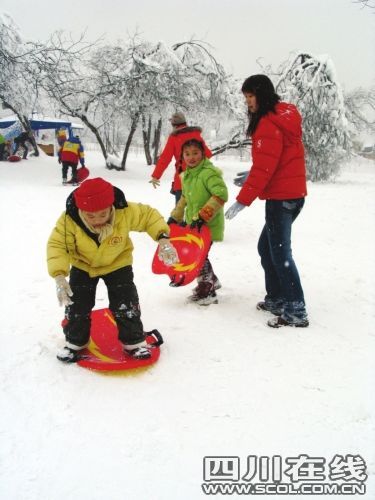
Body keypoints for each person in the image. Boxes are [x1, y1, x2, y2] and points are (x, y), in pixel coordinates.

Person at [47, 177, 179, 362]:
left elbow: (149, 216)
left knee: (125, 302)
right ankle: (75, 342)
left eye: (102, 215)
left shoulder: (124, 211)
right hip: (83, 265)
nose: (97, 221)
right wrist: (59, 275)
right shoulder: (69, 220)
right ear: (81, 210)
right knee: (77, 304)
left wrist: (163, 238)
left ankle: (134, 342)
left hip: (118, 263)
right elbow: (57, 245)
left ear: (111, 207)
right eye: (90, 216)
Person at [225, 74, 308, 328]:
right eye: (246, 97)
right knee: (267, 248)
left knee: (280, 253)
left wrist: (243, 200)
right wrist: (255, 172)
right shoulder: (282, 116)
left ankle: (295, 309)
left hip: (281, 198)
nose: (248, 102)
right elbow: (274, 160)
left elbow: (265, 168)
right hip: (292, 194)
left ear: (261, 94)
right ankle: (277, 298)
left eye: (251, 96)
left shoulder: (268, 123)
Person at [168, 139, 228, 305]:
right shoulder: (186, 175)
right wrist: (175, 216)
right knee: (200, 255)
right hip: (194, 225)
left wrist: (204, 215)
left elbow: (221, 194)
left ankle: (207, 288)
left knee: (199, 257)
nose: (191, 157)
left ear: (203, 154)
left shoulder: (209, 173)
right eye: (187, 154)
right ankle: (211, 280)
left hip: (207, 224)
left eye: (195, 153)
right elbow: (184, 199)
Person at [149, 112, 212, 204]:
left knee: (179, 213)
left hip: (182, 180)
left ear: (174, 125)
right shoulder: (196, 134)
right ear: (185, 123)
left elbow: (165, 158)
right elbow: (208, 154)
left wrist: (156, 176)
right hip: (200, 180)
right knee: (197, 212)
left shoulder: (174, 137)